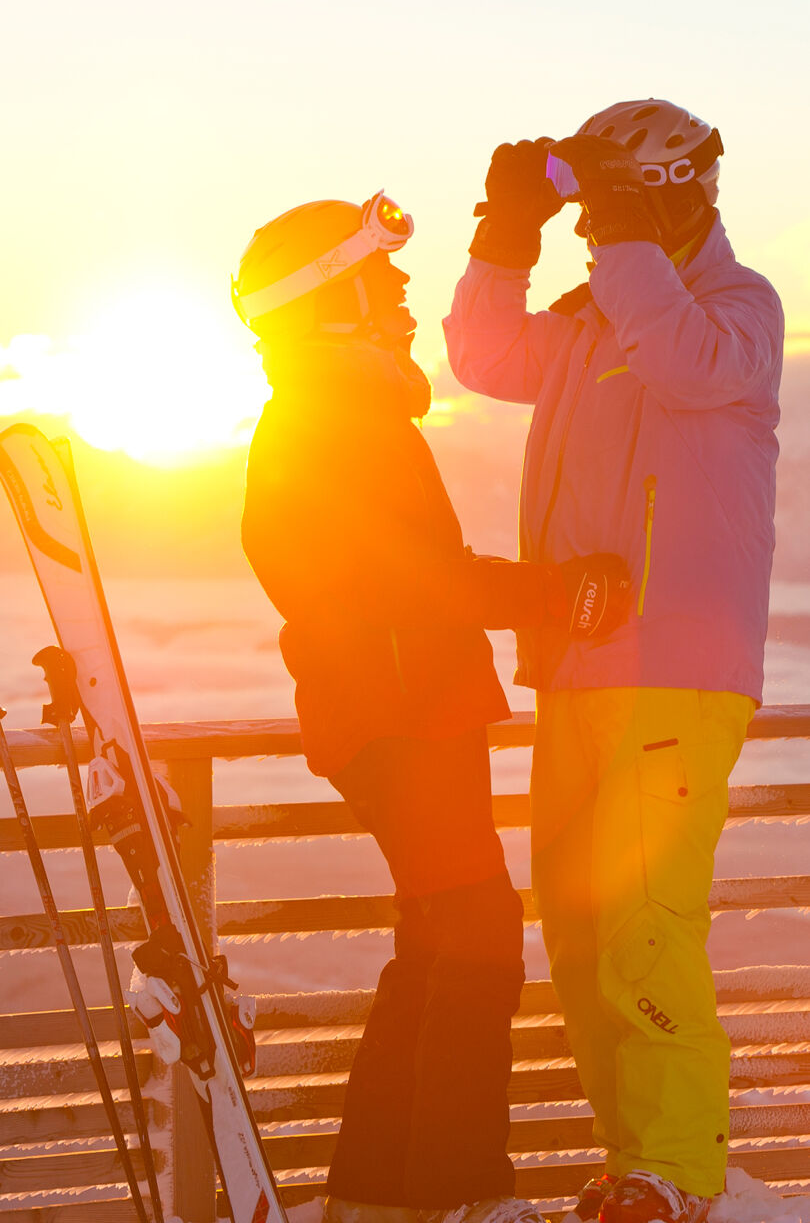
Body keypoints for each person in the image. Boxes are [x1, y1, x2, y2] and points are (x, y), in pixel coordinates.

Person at [231, 192, 630, 1223]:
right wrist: (556, 592)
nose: (403, 292)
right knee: (479, 941)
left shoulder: (333, 414)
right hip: (398, 715)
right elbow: (416, 581)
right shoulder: (329, 420)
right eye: (382, 275)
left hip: (405, 709)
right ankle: (461, 1195)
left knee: (441, 945)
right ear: (328, 305)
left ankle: (373, 1196)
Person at [443, 100, 783, 1223]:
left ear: (677, 189)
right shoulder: (601, 315)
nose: (592, 227)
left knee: (645, 925)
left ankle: (680, 1172)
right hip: (578, 666)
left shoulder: (737, 311)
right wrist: (506, 230)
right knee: (586, 936)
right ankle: (634, 1163)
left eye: (610, 204)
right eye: (589, 209)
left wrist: (627, 234)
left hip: (680, 668)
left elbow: (684, 365)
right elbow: (485, 357)